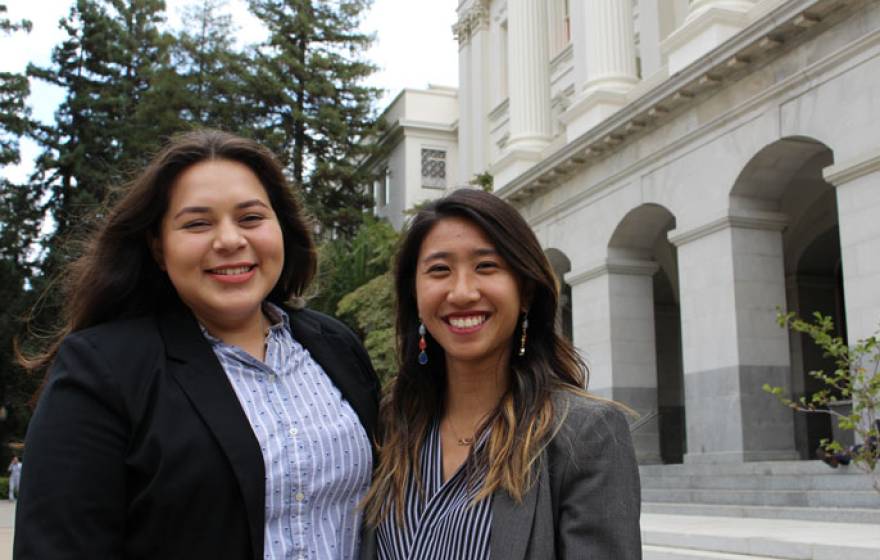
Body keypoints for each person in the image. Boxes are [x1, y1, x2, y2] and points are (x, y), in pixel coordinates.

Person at [14, 130, 380, 559]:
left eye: (250, 218)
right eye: (197, 223)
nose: (229, 240)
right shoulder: (102, 370)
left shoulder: (336, 347)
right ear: (158, 246)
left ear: (281, 227)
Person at [361, 189, 641, 559]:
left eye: (486, 266)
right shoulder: (392, 425)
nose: (461, 293)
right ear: (414, 295)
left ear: (524, 291)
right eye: (439, 270)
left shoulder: (584, 434)